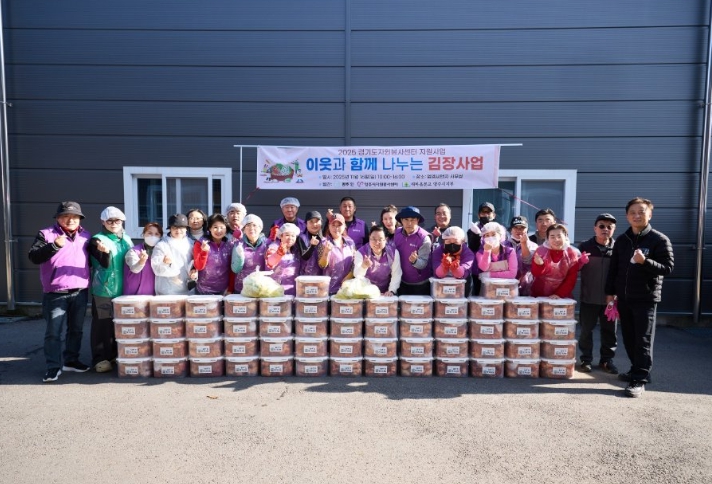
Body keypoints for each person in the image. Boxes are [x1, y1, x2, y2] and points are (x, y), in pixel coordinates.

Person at [606, 198, 674, 398]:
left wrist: (645, 262)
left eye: (641, 212)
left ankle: (639, 379)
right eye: (632, 212)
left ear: (649, 215)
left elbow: (668, 268)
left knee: (642, 340)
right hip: (624, 298)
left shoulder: (659, 240)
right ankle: (636, 369)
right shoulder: (622, 240)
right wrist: (610, 293)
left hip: (645, 298)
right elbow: (614, 269)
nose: (637, 215)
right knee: (629, 337)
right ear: (627, 216)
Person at [28, 201, 92, 382]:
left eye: (75, 217)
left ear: (80, 219)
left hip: (80, 290)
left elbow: (91, 260)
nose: (70, 220)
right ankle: (53, 367)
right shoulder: (46, 234)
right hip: (55, 292)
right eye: (65, 216)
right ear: (58, 218)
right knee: (53, 333)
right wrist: (54, 246)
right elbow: (33, 256)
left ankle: (71, 360)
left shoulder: (86, 236)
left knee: (76, 330)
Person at [88, 206, 133, 373]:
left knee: (120, 323)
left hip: (124, 288)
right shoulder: (97, 240)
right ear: (103, 222)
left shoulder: (126, 239)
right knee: (103, 325)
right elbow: (104, 264)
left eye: (117, 221)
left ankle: (114, 354)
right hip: (104, 289)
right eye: (110, 221)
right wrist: (105, 253)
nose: (114, 224)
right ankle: (100, 358)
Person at [578, 213, 619, 374]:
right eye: (602, 226)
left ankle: (606, 360)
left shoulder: (618, 248)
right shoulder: (584, 246)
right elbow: (574, 268)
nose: (605, 229)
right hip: (589, 297)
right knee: (586, 331)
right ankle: (586, 360)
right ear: (595, 228)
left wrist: (616, 294)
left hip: (610, 300)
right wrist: (580, 262)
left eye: (609, 227)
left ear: (614, 229)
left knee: (610, 332)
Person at [530, 223, 584, 299]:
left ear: (565, 236)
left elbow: (571, 278)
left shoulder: (571, 253)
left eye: (559, 236)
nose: (556, 240)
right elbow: (536, 274)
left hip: (561, 296)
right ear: (547, 238)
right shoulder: (540, 251)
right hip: (539, 294)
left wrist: (559, 294)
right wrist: (539, 265)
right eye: (552, 237)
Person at [151, 214, 195, 295]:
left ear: (186, 229)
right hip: (167, 290)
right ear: (170, 229)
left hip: (189, 290)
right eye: (175, 227)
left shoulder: (191, 243)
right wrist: (164, 263)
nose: (178, 230)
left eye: (181, 227)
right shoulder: (162, 245)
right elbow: (156, 269)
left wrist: (194, 271)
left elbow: (196, 264)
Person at [393, 206, 432, 296]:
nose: (409, 223)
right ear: (401, 220)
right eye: (406, 219)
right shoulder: (397, 232)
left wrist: (415, 261)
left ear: (417, 220)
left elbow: (423, 263)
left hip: (421, 284)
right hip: (402, 282)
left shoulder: (424, 238)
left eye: (413, 220)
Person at [193, 214, 235, 295]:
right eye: (215, 227)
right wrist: (204, 251)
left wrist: (230, 289)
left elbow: (232, 270)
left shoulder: (230, 245)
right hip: (203, 291)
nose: (219, 230)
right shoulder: (200, 243)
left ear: (226, 229)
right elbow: (198, 266)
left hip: (224, 291)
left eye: (222, 227)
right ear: (210, 228)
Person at [353, 225, 402, 296]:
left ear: (386, 239)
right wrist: (363, 266)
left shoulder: (393, 253)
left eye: (380, 239)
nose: (377, 243)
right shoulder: (361, 252)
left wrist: (391, 290)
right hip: (366, 293)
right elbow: (357, 275)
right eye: (373, 239)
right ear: (369, 238)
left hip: (386, 293)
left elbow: (396, 274)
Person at [318, 213, 356, 295]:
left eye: (339, 225)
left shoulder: (350, 242)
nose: (336, 228)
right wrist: (326, 252)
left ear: (344, 226)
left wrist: (350, 275)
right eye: (333, 225)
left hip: (346, 289)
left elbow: (355, 262)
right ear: (329, 226)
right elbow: (322, 265)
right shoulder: (324, 242)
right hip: (329, 290)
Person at [231, 214, 268, 294]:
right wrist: (240, 257)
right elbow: (235, 269)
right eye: (248, 225)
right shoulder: (238, 244)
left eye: (254, 225)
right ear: (244, 229)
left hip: (262, 287)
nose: (251, 228)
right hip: (242, 288)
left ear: (260, 228)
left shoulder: (267, 244)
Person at [432, 226, 475, 294]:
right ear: (444, 241)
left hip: (462, 288)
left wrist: (456, 268)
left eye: (456, 241)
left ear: (462, 241)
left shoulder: (468, 254)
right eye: (448, 241)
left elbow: (464, 272)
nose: (452, 244)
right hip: (441, 288)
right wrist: (443, 266)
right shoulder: (438, 252)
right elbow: (437, 272)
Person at [123, 222, 162, 296]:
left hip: (153, 296)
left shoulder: (161, 253)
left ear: (160, 237)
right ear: (143, 234)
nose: (153, 236)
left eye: (156, 234)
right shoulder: (134, 251)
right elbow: (134, 269)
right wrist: (141, 261)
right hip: (134, 295)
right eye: (149, 233)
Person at [467, 202, 496, 296]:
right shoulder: (473, 230)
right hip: (477, 271)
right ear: (479, 215)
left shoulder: (499, 230)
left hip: (494, 271)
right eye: (483, 212)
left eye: (488, 212)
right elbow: (473, 247)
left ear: (494, 215)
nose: (486, 215)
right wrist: (477, 235)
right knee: (477, 297)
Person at [504, 216, 538, 296]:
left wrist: (524, 244)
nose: (518, 230)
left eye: (522, 228)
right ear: (511, 229)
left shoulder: (534, 246)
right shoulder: (502, 245)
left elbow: (528, 261)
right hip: (506, 284)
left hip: (526, 285)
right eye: (515, 227)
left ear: (527, 229)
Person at [265, 223, 302, 296]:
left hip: (293, 291)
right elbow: (270, 262)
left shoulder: (296, 250)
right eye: (287, 235)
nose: (290, 238)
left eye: (293, 236)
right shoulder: (274, 247)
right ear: (281, 236)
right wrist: (278, 254)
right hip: (276, 291)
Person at [297, 210, 324, 276]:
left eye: (317, 221)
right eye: (311, 221)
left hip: (322, 277)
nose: (314, 224)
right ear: (306, 224)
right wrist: (312, 246)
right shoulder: (301, 238)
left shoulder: (324, 239)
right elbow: (304, 257)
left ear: (321, 223)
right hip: (305, 276)